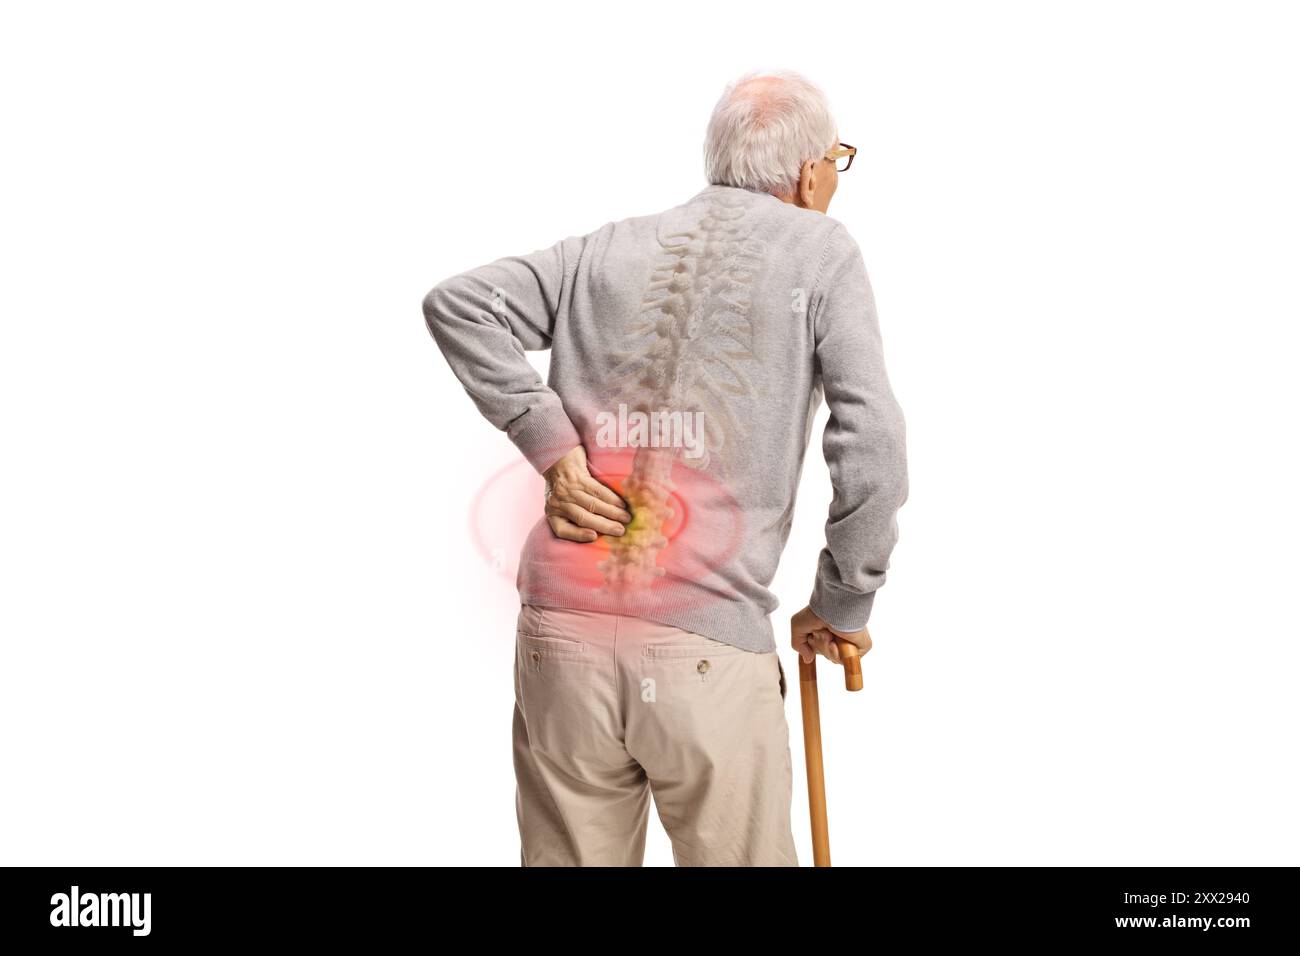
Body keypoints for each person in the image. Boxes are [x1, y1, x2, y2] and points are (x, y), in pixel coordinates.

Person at [423, 70, 908, 866]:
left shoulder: (607, 247)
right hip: (707, 651)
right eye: (835, 160)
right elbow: (873, 440)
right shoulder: (821, 251)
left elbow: (459, 302)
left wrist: (554, 446)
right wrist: (843, 601)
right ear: (809, 171)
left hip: (562, 643)